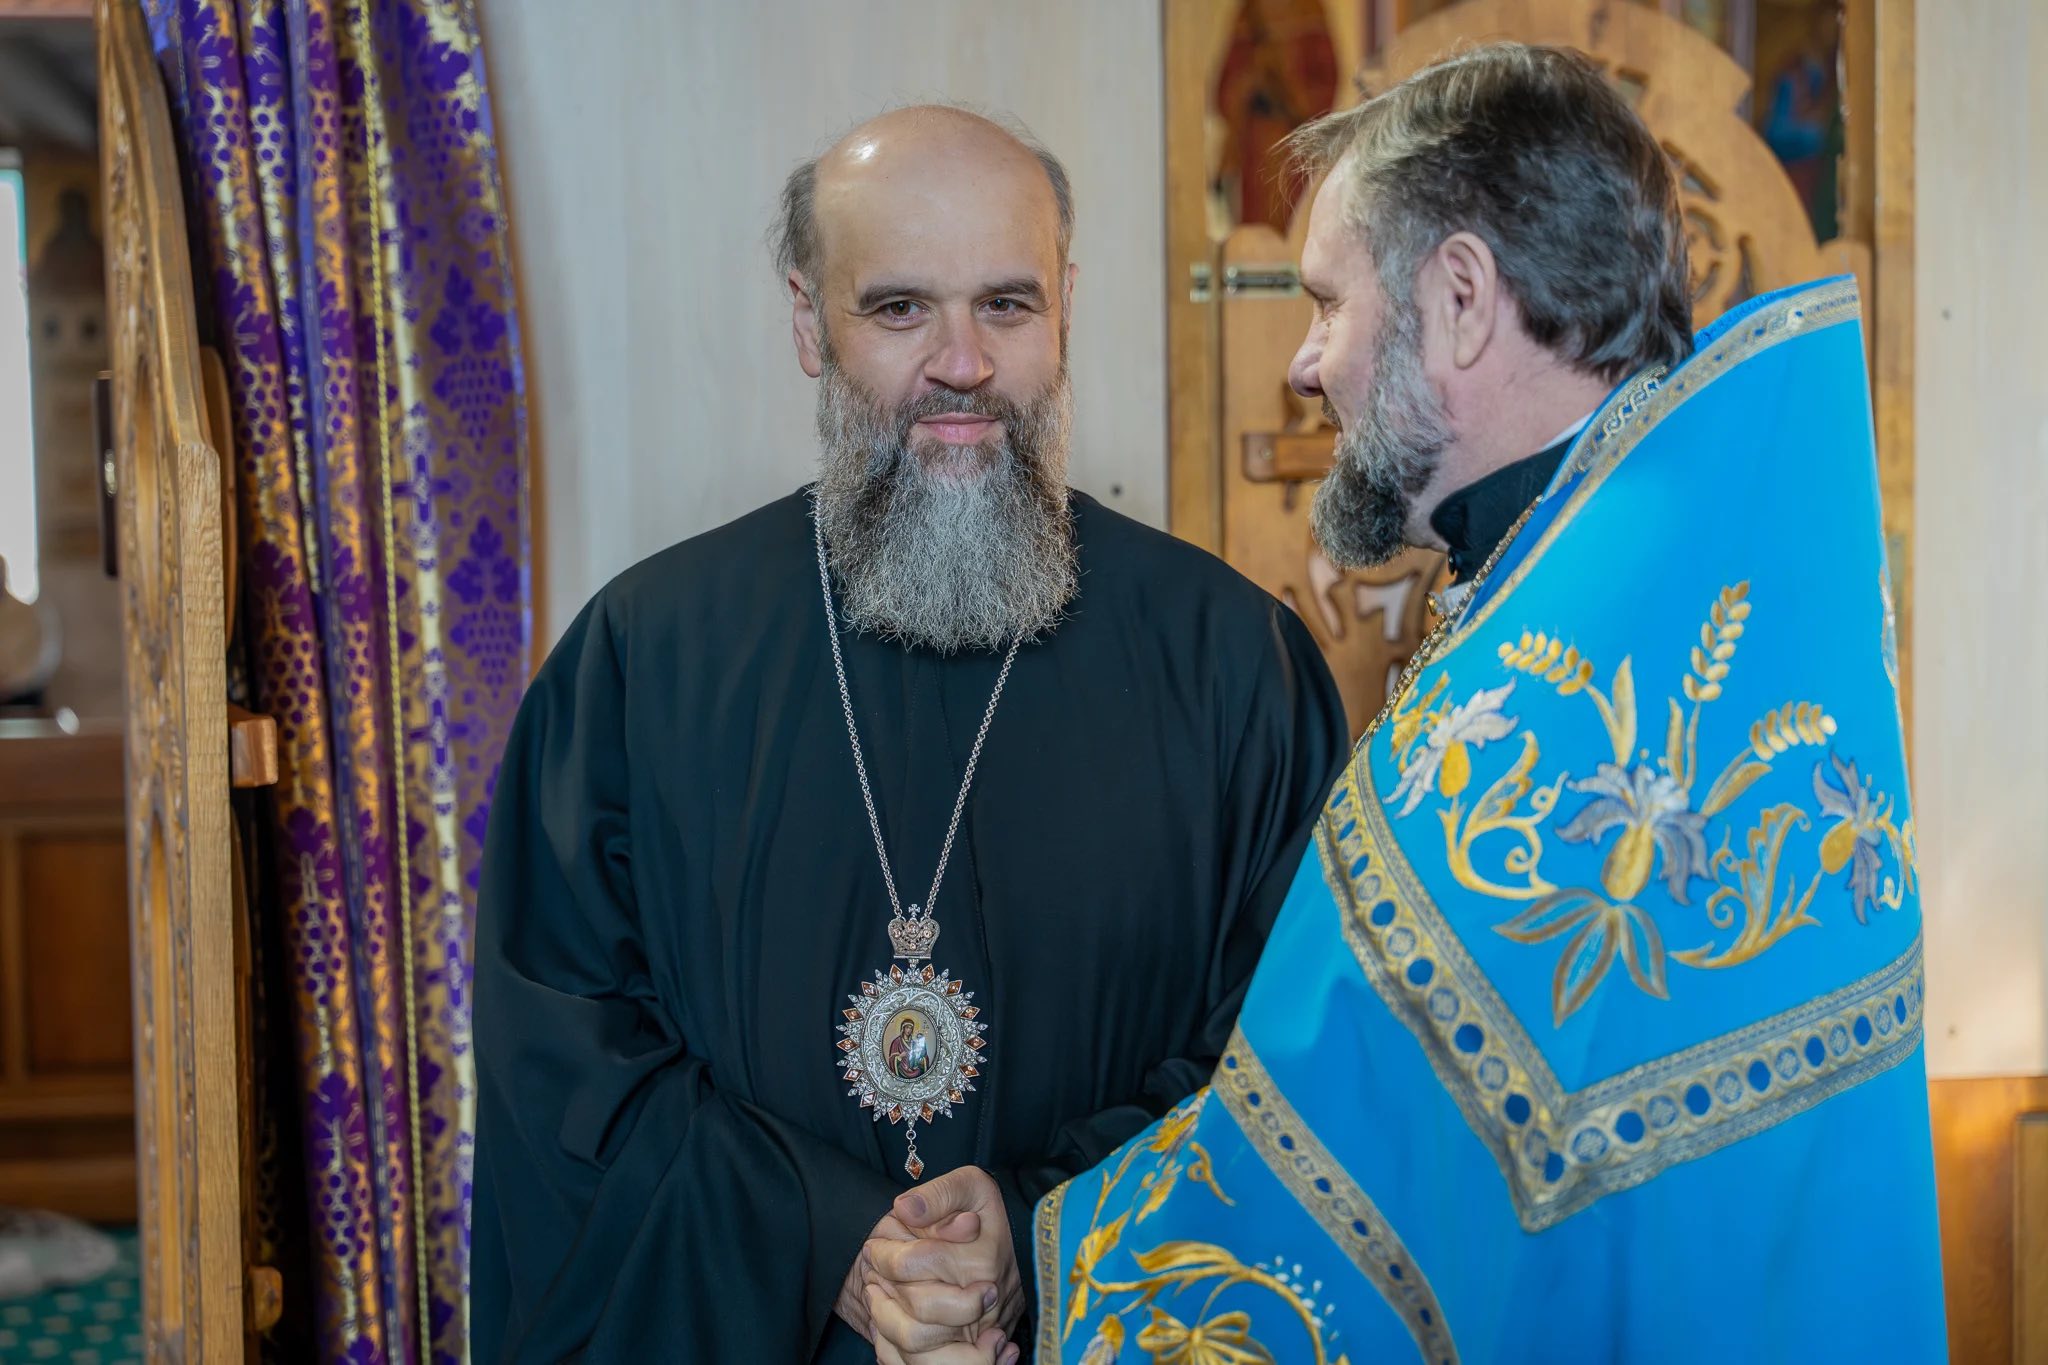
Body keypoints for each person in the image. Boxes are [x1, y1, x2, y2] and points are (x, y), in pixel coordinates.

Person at [908, 42, 1943, 1363]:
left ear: (1458, 298)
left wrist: (1041, 1293)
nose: (1304, 365)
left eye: (1326, 303)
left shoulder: (1565, 705)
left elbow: (1334, 1174)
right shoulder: (1675, 584)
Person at [468, 104, 1347, 1364]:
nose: (961, 363)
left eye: (1006, 305)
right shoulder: (640, 662)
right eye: (897, 309)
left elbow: (1294, 1058)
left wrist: (1044, 1229)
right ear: (806, 321)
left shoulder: (1232, 665)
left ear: (1064, 307)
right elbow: (566, 1069)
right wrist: (825, 1242)